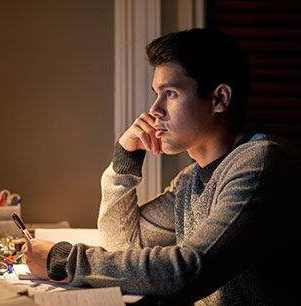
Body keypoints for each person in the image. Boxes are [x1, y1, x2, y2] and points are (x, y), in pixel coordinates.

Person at [22, 28, 301, 305]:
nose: (155, 110)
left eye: (171, 93)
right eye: (157, 93)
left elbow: (190, 269)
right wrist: (125, 158)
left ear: (219, 99)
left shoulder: (262, 164)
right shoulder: (190, 181)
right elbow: (122, 244)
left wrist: (66, 261)